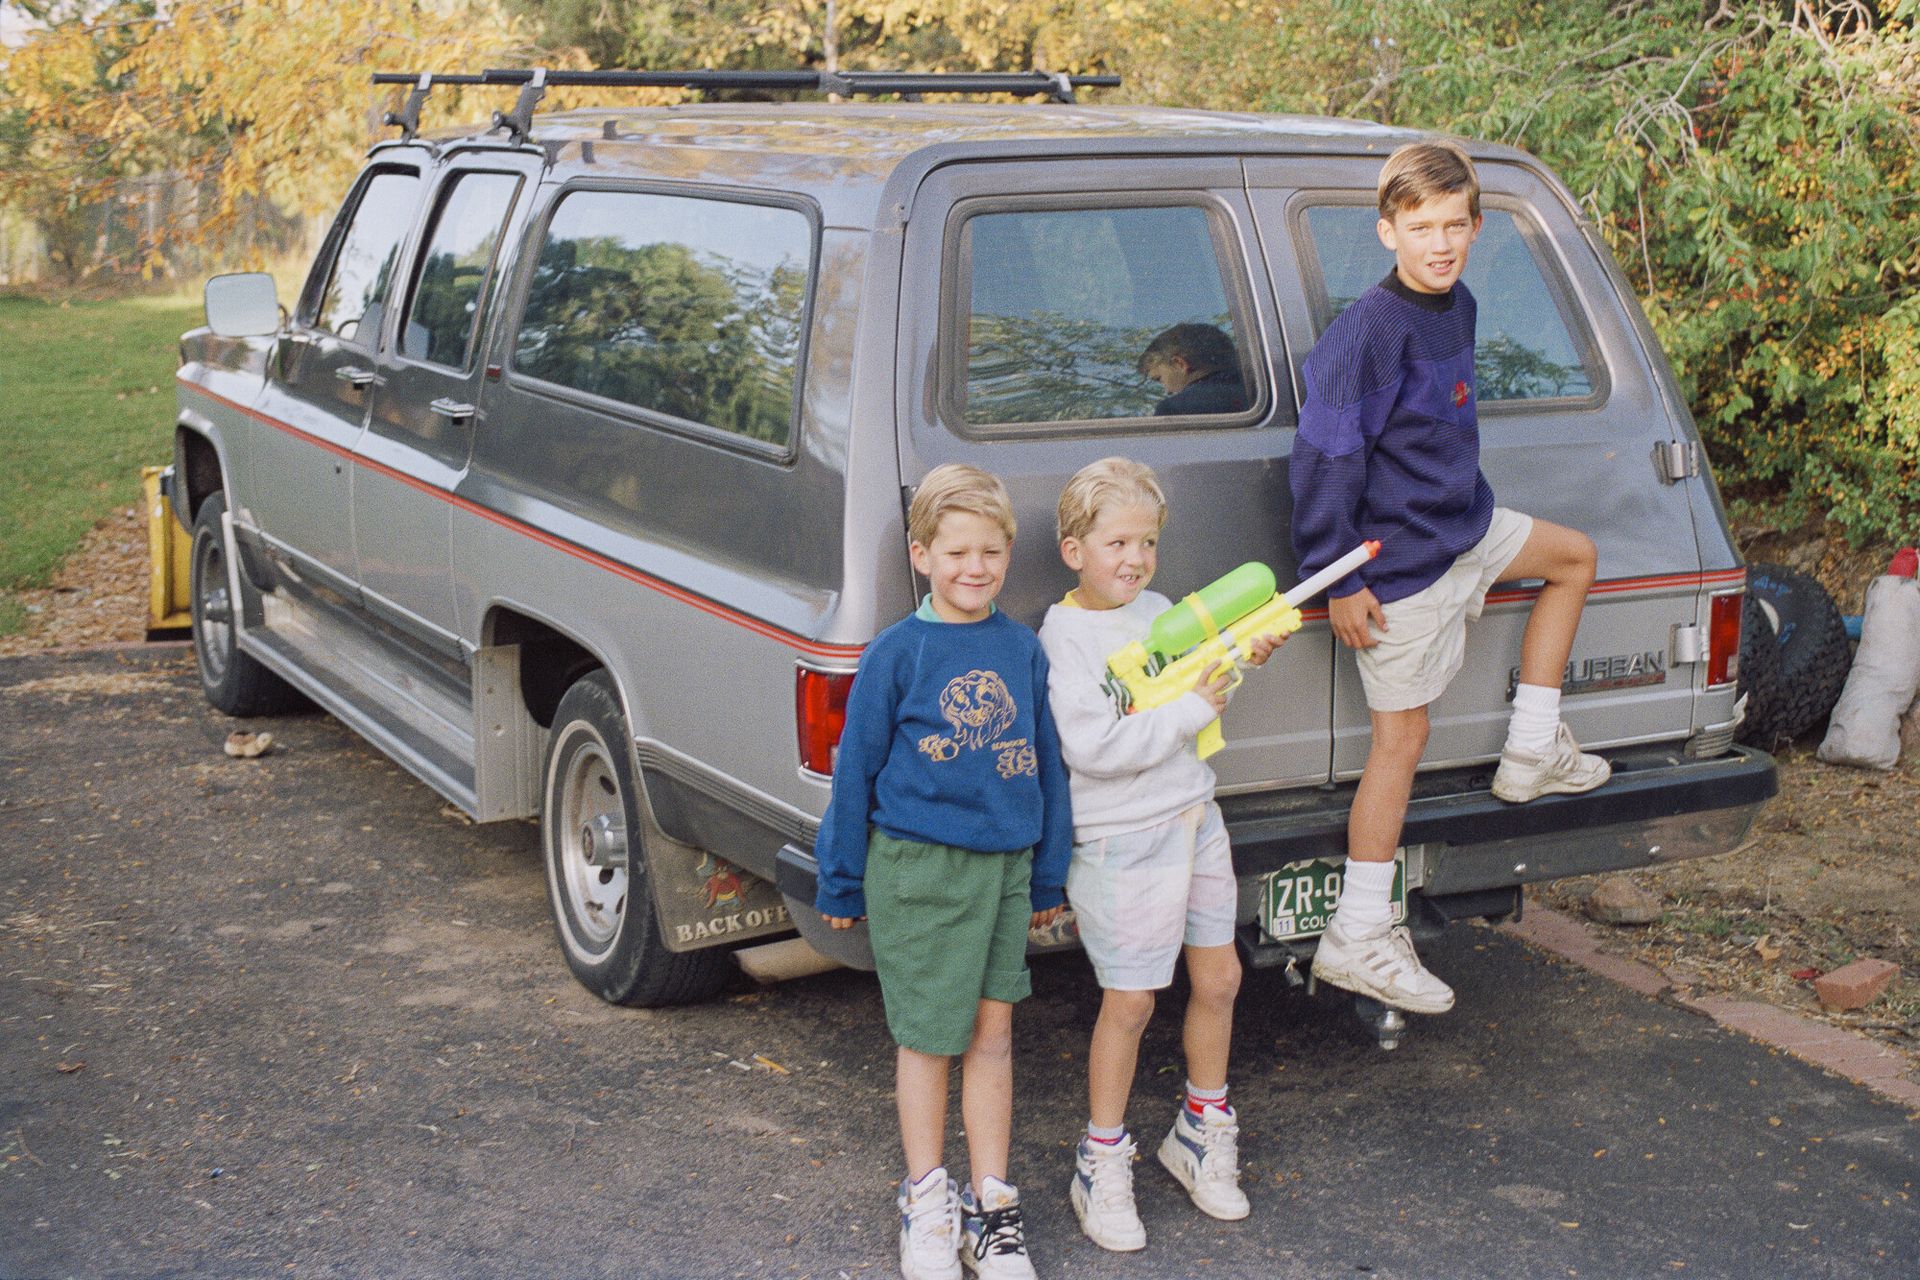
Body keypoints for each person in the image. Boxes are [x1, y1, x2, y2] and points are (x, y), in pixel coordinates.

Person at [1289, 139, 1608, 1017]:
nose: (1441, 243)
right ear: (1387, 229)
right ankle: (1356, 933)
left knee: (1573, 556)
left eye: (1456, 225)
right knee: (1402, 743)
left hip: (1463, 526)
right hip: (1396, 564)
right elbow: (1323, 463)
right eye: (1422, 227)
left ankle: (1532, 749)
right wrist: (1334, 578)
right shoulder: (1365, 337)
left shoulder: (1456, 304)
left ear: (1476, 228)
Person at [812, 462, 1072, 1280]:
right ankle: (928, 1200)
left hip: (1004, 871)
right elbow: (855, 772)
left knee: (992, 1034)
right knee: (928, 1038)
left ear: (1007, 553)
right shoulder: (899, 652)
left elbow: (1047, 767)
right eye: (956, 551)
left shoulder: (1021, 650)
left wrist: (1048, 876)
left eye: (991, 552)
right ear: (922, 555)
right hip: (919, 867)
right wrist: (842, 878)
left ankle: (993, 1209)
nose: (975, 568)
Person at [1037, 457, 1285, 1252]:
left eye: (1146, 542)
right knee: (1133, 1001)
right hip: (1120, 836)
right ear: (1074, 550)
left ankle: (1201, 1130)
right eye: (1116, 542)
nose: (1134, 559)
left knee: (1220, 977)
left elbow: (1200, 695)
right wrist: (1188, 708)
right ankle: (1101, 1157)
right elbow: (1095, 747)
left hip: (1192, 815)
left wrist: (1242, 660)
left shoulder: (1161, 611)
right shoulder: (1065, 638)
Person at [1138, 323, 1249, 416]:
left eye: (1160, 379)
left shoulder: (1174, 409)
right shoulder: (1256, 390)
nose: (1167, 390)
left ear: (1179, 364)